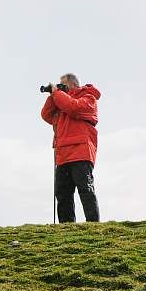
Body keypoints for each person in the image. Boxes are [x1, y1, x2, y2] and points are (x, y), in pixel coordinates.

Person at [41, 73, 101, 222]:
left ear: (73, 84)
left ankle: (93, 224)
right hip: (63, 153)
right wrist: (52, 95)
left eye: (63, 85)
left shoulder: (88, 98)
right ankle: (66, 227)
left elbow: (73, 108)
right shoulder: (61, 101)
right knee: (62, 192)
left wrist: (57, 93)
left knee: (85, 188)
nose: (60, 87)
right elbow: (46, 115)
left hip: (81, 151)